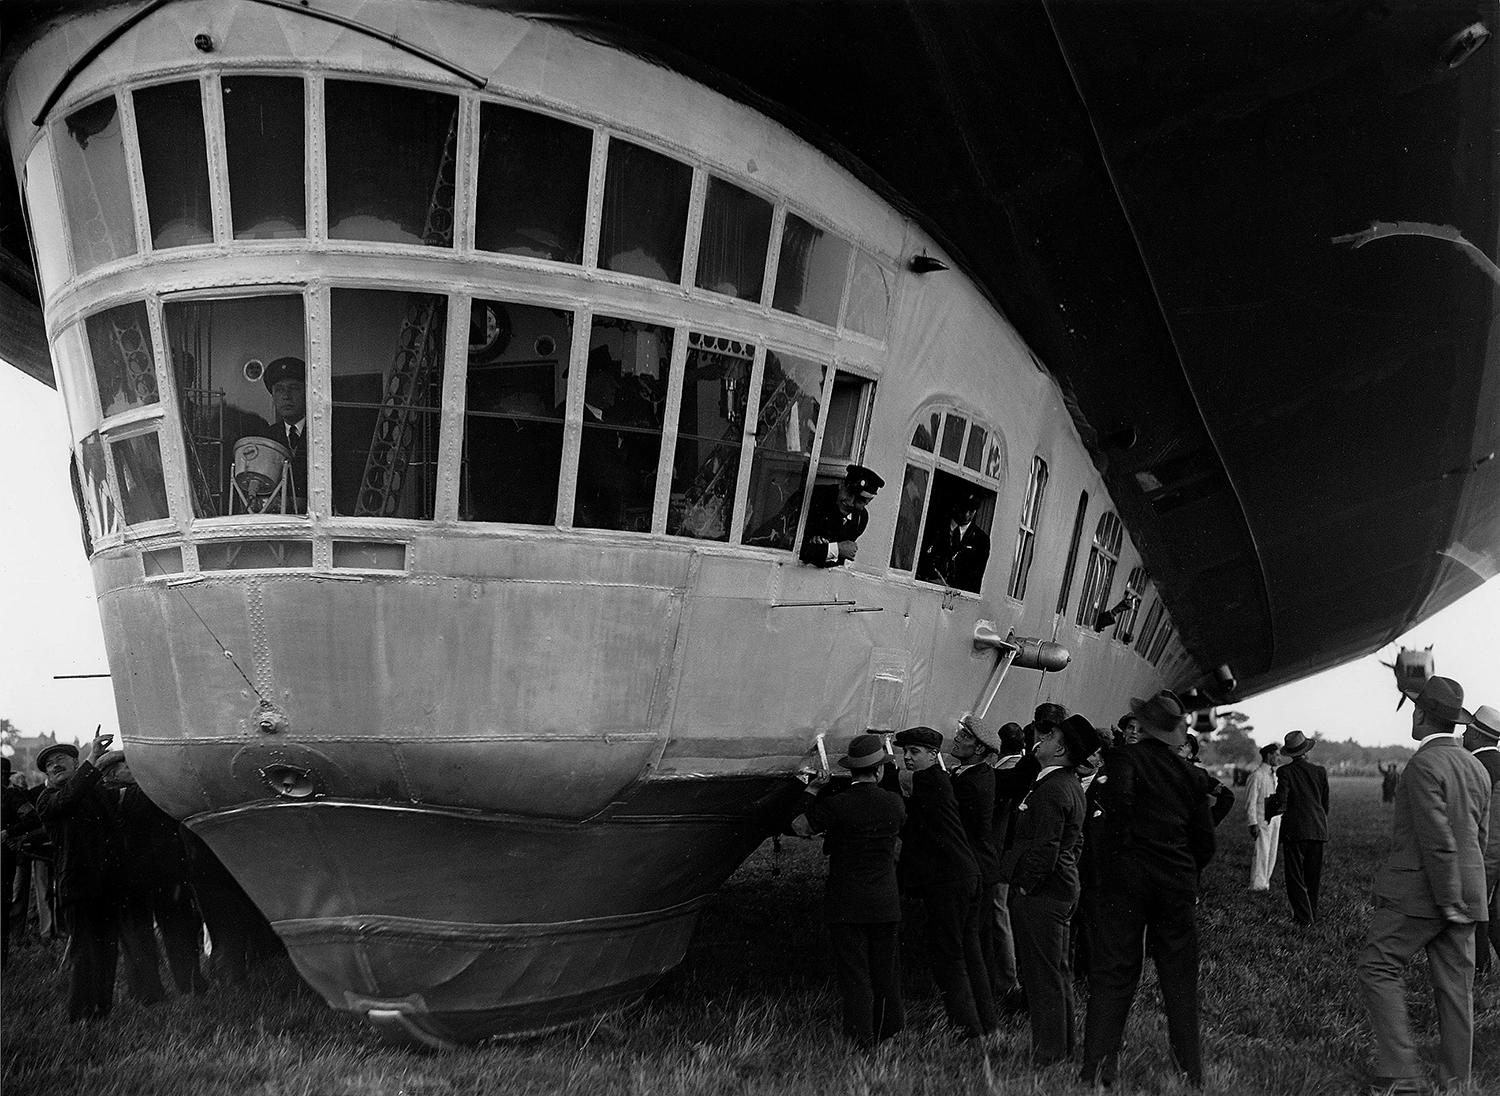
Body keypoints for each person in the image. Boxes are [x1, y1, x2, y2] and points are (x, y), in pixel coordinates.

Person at [1357, 676, 1491, 1092]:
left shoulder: (1422, 765)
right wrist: (1467, 895)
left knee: (1377, 965)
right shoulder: (1477, 767)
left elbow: (1438, 837)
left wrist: (1449, 898)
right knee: (1457, 991)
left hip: (1425, 895)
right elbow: (1480, 839)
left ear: (1420, 715)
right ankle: (1457, 1082)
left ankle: (1400, 1072)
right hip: (1470, 893)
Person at [1082, 689, 1215, 1089]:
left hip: (1125, 884)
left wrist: (1117, 863)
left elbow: (1110, 818)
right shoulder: (1193, 776)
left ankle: (1098, 1070)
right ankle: (1190, 1072)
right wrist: (1183, 870)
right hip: (1175, 886)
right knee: (1180, 980)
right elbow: (1205, 843)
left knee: (1114, 973)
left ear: (1143, 725)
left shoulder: (1123, 759)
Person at [795, 733, 906, 1049]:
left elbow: (800, 826)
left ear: (851, 770)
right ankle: (888, 1031)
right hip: (885, 901)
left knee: (855, 973)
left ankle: (861, 1037)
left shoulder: (837, 805)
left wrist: (812, 790)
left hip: (846, 901)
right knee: (886, 970)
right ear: (879, 770)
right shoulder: (895, 803)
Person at [1000, 713, 1097, 1066]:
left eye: (1051, 736)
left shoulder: (1053, 789)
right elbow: (1074, 842)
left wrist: (1027, 886)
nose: (1042, 738)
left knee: (1042, 975)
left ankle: (1049, 1052)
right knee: (1056, 971)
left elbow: (1046, 849)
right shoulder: (1066, 784)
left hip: (1044, 894)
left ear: (1060, 750)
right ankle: (1062, 1045)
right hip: (1061, 888)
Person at [892, 725, 997, 1040]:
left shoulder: (929, 780)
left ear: (933, 754)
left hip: (947, 881)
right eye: (905, 752)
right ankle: (988, 1024)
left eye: (915, 752)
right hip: (968, 875)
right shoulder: (942, 779)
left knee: (949, 957)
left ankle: (968, 1030)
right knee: (971, 953)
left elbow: (899, 785)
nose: (908, 758)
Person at [35, 734, 125, 1022]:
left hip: (107, 884)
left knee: (108, 949)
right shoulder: (47, 800)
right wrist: (93, 758)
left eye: (61, 759)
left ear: (74, 764)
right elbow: (70, 798)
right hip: (77, 887)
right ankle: (79, 1016)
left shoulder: (94, 791)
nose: (54, 764)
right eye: (49, 764)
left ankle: (101, 1012)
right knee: (85, 953)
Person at [101, 755, 207, 1000]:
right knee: (166, 931)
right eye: (126, 766)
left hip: (146, 876)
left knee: (146, 934)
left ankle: (154, 992)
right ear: (112, 774)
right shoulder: (133, 793)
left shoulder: (111, 796)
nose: (134, 768)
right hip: (153, 876)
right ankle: (182, 987)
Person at [949, 717, 1004, 1001]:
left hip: (974, 867)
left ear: (980, 749)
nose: (957, 739)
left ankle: (979, 1000)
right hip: (983, 866)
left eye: (965, 736)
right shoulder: (977, 773)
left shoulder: (970, 784)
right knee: (980, 937)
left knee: (971, 939)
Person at [988, 721, 1027, 1005]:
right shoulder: (1025, 768)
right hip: (1014, 853)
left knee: (998, 914)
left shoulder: (1003, 772)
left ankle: (1007, 980)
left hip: (1000, 854)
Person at [1277, 729, 1330, 925]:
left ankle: (1303, 918)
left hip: (1295, 831)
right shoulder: (1320, 771)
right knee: (1313, 877)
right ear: (1306, 751)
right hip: (1317, 829)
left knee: (1295, 877)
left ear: (1290, 753)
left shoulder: (1284, 772)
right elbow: (1324, 804)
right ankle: (1311, 915)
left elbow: (1281, 801)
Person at [1463, 704, 1499, 976]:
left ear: (1477, 735)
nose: (1463, 735)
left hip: (1488, 853)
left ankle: (1481, 968)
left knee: (1477, 910)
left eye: (1467, 730)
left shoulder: (1475, 767)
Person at [249, 356, 307, 513]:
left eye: (293, 388)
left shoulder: (323, 433)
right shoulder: (266, 437)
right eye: (279, 390)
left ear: (306, 393)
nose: (286, 396)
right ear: (273, 397)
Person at [799, 465, 883, 567]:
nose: (850, 502)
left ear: (868, 501)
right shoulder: (811, 499)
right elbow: (791, 548)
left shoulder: (860, 519)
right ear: (842, 484)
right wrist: (836, 549)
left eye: (859, 500)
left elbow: (838, 560)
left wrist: (824, 550)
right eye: (849, 493)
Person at [916, 491, 991, 593]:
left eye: (971, 510)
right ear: (955, 506)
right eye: (963, 508)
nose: (966, 514)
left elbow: (975, 580)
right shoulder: (933, 528)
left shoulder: (982, 540)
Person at [1244, 742, 1282, 892]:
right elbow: (1250, 801)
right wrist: (1252, 822)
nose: (1279, 758)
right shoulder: (1257, 775)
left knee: (1272, 852)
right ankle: (1257, 885)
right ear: (1268, 755)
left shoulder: (1275, 776)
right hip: (1261, 819)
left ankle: (1265, 883)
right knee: (1262, 852)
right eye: (1276, 755)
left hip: (1275, 819)